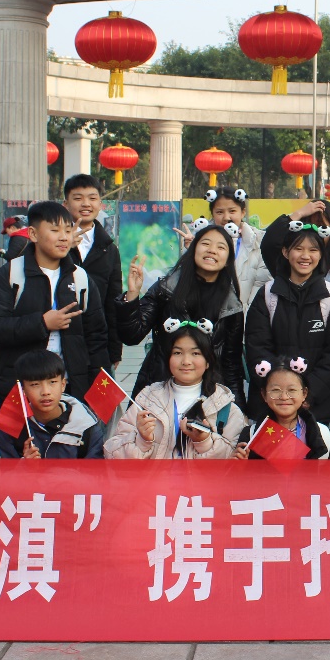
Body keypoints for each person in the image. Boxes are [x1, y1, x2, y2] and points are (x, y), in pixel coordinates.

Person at [0, 201, 109, 404]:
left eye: (68, 230)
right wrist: (42, 323)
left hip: (70, 389)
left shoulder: (80, 278)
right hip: (20, 390)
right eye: (55, 230)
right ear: (33, 234)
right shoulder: (11, 274)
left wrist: (99, 390)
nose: (64, 237)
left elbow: (96, 337)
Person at [118, 221, 245, 403]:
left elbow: (232, 366)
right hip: (159, 390)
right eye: (205, 244)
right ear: (193, 250)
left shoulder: (232, 307)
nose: (212, 250)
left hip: (209, 397)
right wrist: (132, 295)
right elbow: (131, 335)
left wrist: (238, 409)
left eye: (221, 247)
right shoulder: (165, 289)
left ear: (228, 260)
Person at [244, 219, 330, 423]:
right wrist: (280, 392)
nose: (306, 256)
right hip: (274, 404)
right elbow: (257, 347)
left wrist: (308, 393)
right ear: (285, 252)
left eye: (313, 250)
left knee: (319, 444)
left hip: (318, 405)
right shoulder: (267, 295)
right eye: (298, 249)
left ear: (320, 254)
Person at [105, 322, 247, 459]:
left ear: (208, 361)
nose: (186, 361)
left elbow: (232, 462)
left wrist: (204, 443)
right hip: (154, 477)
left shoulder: (225, 408)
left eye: (195, 353)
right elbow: (112, 453)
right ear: (168, 358)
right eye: (178, 352)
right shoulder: (147, 401)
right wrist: (142, 441)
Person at [0, 350, 105, 459]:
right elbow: (3, 468)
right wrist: (24, 465)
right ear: (23, 390)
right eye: (35, 384)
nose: (45, 392)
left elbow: (96, 468)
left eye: (52, 382)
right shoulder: (11, 427)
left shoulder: (86, 427)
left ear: (63, 384)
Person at [63, 175, 123, 372]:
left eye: (92, 198)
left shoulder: (109, 249)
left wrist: (115, 349)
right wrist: (64, 247)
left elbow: (113, 301)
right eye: (78, 198)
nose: (86, 204)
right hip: (59, 338)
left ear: (100, 204)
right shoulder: (52, 245)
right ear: (66, 204)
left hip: (96, 342)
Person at [235, 358, 330, 459]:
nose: (284, 397)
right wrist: (239, 465)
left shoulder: (325, 435)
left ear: (304, 393)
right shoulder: (251, 435)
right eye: (276, 390)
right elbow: (241, 471)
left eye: (292, 390)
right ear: (264, 394)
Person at [260, 199, 330, 297]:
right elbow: (269, 244)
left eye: (320, 226)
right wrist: (299, 213)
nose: (312, 231)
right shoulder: (289, 261)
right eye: (308, 224)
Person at [206, 186, 271, 308]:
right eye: (219, 212)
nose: (226, 217)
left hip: (247, 314)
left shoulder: (259, 241)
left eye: (232, 211)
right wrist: (190, 250)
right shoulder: (201, 243)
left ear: (243, 212)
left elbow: (261, 284)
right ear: (212, 214)